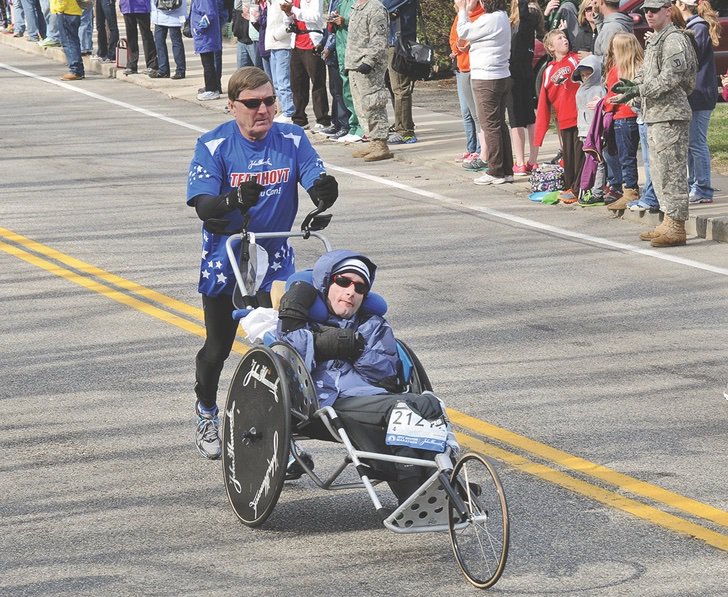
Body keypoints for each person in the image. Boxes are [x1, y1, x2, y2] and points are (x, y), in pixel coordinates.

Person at [186, 66, 339, 459]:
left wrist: (323, 193)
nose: (264, 110)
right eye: (253, 104)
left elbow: (314, 175)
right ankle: (206, 411)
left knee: (282, 346)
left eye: (270, 101)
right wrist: (233, 200)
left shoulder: (291, 137)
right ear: (232, 106)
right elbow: (205, 208)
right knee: (218, 348)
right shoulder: (213, 145)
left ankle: (280, 434)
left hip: (276, 260)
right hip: (227, 258)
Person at [276, 250, 456, 503]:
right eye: (342, 282)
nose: (351, 291)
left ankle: (445, 481)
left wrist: (357, 349)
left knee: (428, 404)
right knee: (401, 408)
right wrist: (317, 339)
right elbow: (288, 353)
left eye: (360, 287)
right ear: (327, 284)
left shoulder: (373, 325)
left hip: (371, 397)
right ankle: (411, 487)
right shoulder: (303, 324)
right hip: (323, 402)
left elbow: (385, 373)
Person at [610, 0, 697, 247]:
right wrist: (631, 88)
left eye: (654, 10)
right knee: (658, 172)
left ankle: (676, 225)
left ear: (668, 11)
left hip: (671, 114)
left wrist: (640, 89)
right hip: (655, 114)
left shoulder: (673, 40)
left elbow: (671, 78)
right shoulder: (656, 39)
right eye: (645, 10)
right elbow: (645, 74)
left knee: (672, 172)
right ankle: (667, 220)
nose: (648, 14)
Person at [456, 0, 514, 186]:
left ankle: (495, 171)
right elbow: (480, 37)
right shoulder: (502, 17)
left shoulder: (490, 18)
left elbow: (464, 31)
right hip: (501, 75)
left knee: (490, 126)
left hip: (487, 78)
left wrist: (462, 9)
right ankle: (506, 170)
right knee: (499, 125)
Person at [675, 0, 720, 205]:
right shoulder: (691, 28)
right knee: (691, 143)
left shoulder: (698, 28)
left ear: (682, 6)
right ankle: (693, 183)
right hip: (693, 94)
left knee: (697, 142)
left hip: (700, 93)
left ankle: (703, 188)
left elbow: (691, 60)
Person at [534, 28, 581, 202]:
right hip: (563, 120)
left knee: (580, 154)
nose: (565, 40)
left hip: (580, 117)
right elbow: (543, 103)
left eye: (565, 36)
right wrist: (539, 134)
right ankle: (569, 186)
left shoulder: (576, 60)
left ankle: (578, 189)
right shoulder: (548, 71)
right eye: (559, 38)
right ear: (551, 47)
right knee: (568, 156)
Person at [345, 0, 393, 162]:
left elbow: (379, 39)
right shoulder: (356, 7)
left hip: (369, 66)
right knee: (361, 105)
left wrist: (370, 60)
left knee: (373, 103)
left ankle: (380, 143)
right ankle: (372, 140)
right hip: (354, 63)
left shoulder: (375, 8)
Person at [602, 32, 642, 212]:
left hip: (621, 118)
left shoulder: (616, 71)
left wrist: (602, 106)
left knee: (625, 157)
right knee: (634, 154)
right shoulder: (640, 67)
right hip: (636, 116)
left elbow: (611, 98)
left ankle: (630, 190)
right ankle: (633, 188)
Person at [281, 0, 332, 132]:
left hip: (312, 43)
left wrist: (294, 10)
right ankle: (299, 118)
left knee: (317, 83)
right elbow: (287, 22)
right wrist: (287, 13)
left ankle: (322, 119)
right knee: (297, 84)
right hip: (296, 43)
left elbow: (315, 17)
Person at [450, 1, 486, 171]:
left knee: (477, 113)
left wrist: (465, 45)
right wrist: (457, 48)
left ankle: (481, 150)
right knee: (466, 113)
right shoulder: (461, 17)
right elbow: (454, 38)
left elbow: (473, 40)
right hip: (462, 68)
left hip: (475, 69)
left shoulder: (483, 17)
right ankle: (471, 148)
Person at [508, 0, 540, 176]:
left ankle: (520, 162)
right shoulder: (529, 25)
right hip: (527, 73)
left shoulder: (521, 23)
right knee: (529, 117)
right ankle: (532, 160)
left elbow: (523, 11)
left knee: (517, 119)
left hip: (514, 74)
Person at [571, 54, 606, 206]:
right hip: (584, 131)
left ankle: (598, 191)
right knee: (590, 163)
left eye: (588, 74)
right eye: (583, 75)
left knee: (598, 162)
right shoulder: (581, 89)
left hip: (596, 131)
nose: (585, 78)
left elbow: (602, 112)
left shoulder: (599, 89)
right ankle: (590, 189)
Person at [329, 0, 366, 143]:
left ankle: (362, 129)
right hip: (341, 50)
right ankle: (353, 126)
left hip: (354, 51)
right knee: (346, 91)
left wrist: (346, 20)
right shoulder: (341, 2)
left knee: (356, 91)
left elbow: (365, 21)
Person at [382, 0, 418, 145]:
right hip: (391, 42)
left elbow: (381, 6)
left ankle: (405, 131)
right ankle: (401, 123)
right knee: (392, 86)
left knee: (400, 88)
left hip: (400, 44)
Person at [266, 0, 296, 122]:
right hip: (273, 45)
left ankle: (289, 111)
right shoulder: (270, 2)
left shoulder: (282, 2)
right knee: (277, 83)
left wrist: (277, 35)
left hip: (283, 44)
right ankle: (283, 110)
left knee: (283, 81)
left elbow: (290, 20)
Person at [191, 0, 224, 99]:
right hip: (204, 36)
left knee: (208, 63)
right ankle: (211, 87)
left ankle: (212, 89)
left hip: (206, 36)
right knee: (207, 62)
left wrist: (199, 29)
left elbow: (209, 14)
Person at [120, 0, 159, 75]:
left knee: (146, 36)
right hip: (127, 6)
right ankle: (132, 65)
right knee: (131, 37)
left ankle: (152, 65)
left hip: (141, 6)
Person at [150, 0, 187, 79]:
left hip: (175, 13)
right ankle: (163, 70)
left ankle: (180, 70)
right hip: (159, 15)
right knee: (159, 41)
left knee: (176, 42)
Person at [51, 0, 85, 80]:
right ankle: (78, 70)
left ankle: (75, 70)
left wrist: (60, 8)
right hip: (71, 9)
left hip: (66, 10)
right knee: (73, 41)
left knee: (69, 41)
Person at [234, 0, 262, 69]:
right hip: (242, 36)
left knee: (258, 71)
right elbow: (237, 7)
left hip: (255, 38)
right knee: (241, 73)